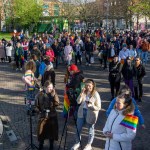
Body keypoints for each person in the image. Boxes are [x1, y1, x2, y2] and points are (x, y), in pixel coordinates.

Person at [71, 79, 101, 150]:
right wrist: (81, 94)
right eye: (86, 85)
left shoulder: (96, 94)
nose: (88, 87)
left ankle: (89, 144)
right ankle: (77, 142)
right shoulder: (84, 92)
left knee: (90, 129)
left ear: (93, 86)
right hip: (81, 112)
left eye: (89, 86)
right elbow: (78, 102)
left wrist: (91, 106)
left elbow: (99, 107)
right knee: (78, 129)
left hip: (90, 113)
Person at [35, 81, 59, 150]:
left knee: (52, 132)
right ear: (45, 87)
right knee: (41, 131)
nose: (50, 89)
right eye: (48, 87)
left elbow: (57, 103)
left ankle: (51, 145)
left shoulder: (54, 94)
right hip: (43, 115)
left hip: (52, 116)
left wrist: (53, 96)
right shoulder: (40, 94)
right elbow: (36, 105)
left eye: (51, 87)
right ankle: (41, 145)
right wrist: (37, 110)